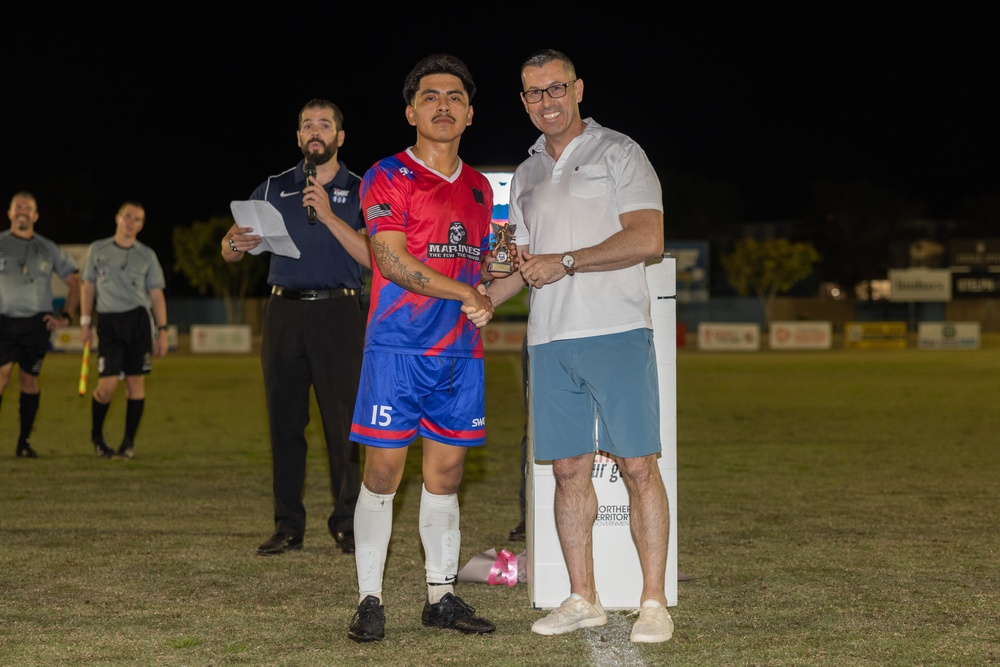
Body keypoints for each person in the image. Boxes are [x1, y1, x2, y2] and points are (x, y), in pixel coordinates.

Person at [485, 49, 674, 644]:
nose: (547, 100)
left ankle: (652, 601)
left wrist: (564, 262)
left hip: (616, 329)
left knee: (637, 466)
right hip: (548, 339)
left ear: (579, 89)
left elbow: (647, 238)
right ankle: (581, 597)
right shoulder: (527, 172)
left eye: (556, 88)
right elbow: (521, 266)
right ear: (523, 102)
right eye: (534, 93)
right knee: (567, 471)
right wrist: (484, 299)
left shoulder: (620, 152)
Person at [346, 53, 499, 643]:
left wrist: (492, 276)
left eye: (455, 97)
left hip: (460, 352)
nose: (443, 105)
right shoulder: (387, 174)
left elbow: (482, 266)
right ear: (411, 110)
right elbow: (390, 259)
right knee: (383, 473)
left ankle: (441, 596)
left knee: (448, 474)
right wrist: (467, 288)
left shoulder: (484, 188)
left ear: (469, 114)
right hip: (397, 349)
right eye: (431, 96)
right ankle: (369, 598)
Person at [222, 99, 370, 558]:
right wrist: (234, 242)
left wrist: (327, 214)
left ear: (340, 137)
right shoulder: (272, 188)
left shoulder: (362, 188)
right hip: (284, 314)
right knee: (285, 424)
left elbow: (374, 257)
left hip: (339, 315)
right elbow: (229, 248)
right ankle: (288, 525)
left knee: (343, 425)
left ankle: (347, 523)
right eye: (307, 124)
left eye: (325, 124)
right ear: (299, 136)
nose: (315, 131)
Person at [80, 201, 169, 460]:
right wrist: (85, 322)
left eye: (138, 219)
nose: (131, 222)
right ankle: (97, 437)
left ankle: (128, 443)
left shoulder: (147, 255)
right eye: (127, 216)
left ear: (142, 225)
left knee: (135, 384)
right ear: (117, 218)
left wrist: (162, 330)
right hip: (108, 323)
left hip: (139, 323)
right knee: (106, 388)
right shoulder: (98, 249)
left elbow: (156, 295)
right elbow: (87, 287)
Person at [1, 192, 80, 458]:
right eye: (18, 207)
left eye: (28, 208)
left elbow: (74, 282)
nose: (23, 211)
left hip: (36, 324)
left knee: (29, 380)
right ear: (10, 213)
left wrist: (65, 317)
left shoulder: (48, 248)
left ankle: (23, 443)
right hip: (3, 323)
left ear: (35, 216)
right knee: (0, 377)